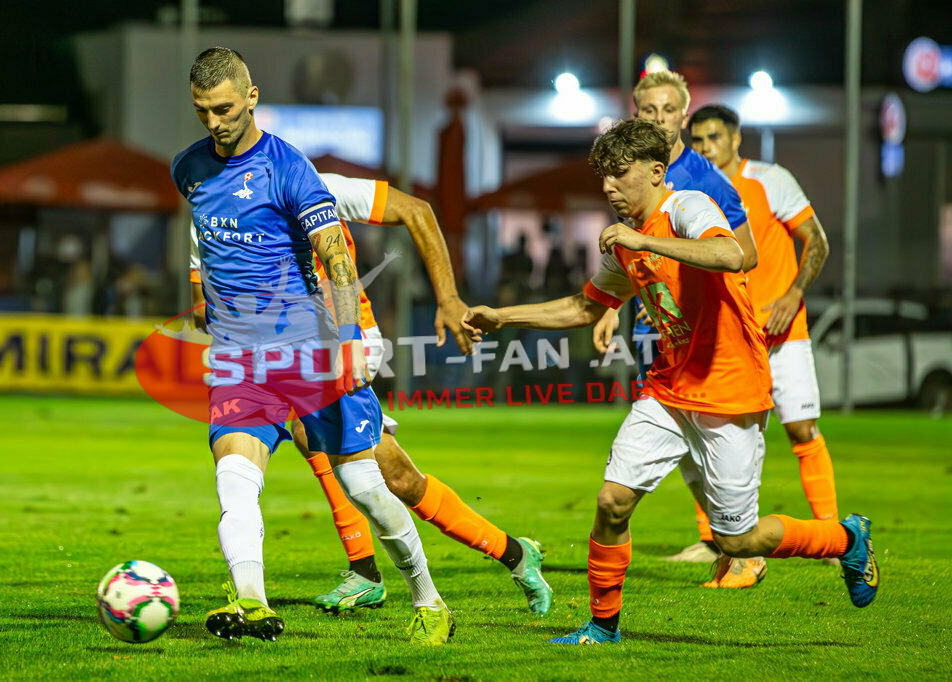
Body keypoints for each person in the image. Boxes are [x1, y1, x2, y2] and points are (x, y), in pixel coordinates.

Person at [463, 119, 879, 646]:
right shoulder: (625, 241)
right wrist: (503, 317)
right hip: (667, 388)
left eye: (620, 174)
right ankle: (602, 626)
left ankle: (846, 538)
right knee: (612, 500)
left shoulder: (686, 207)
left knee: (738, 538)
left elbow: (730, 254)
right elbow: (585, 306)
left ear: (657, 171)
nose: (610, 187)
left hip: (730, 388)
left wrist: (643, 238)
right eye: (604, 178)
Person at [173, 46, 453, 645]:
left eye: (223, 109)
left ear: (251, 98)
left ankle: (428, 597)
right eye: (202, 112)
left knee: (367, 490)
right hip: (242, 363)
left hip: (312, 356)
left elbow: (338, 258)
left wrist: (350, 341)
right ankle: (252, 601)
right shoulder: (188, 168)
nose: (214, 123)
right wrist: (204, 301)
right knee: (234, 480)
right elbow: (206, 242)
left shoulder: (289, 168)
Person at [189, 174, 552, 616]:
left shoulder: (318, 185)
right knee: (394, 475)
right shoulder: (214, 202)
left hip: (350, 339)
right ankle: (509, 553)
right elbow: (202, 300)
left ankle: (373, 572)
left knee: (338, 448)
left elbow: (417, 210)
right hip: (281, 347)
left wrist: (449, 298)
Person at [591, 69, 759, 572]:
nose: (660, 118)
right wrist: (613, 302)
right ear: (636, 111)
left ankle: (736, 544)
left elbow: (739, 255)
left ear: (682, 115)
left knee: (738, 504)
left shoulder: (703, 183)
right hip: (669, 345)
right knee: (633, 483)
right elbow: (617, 275)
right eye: (649, 110)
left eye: (668, 110)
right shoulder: (632, 179)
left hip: (724, 346)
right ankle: (711, 541)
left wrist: (655, 257)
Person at [689, 104, 839, 569]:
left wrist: (793, 295)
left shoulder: (770, 179)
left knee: (801, 428)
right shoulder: (692, 190)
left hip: (782, 331)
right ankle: (711, 541)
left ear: (736, 139)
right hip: (730, 335)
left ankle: (833, 536)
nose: (704, 147)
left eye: (713, 137)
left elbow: (817, 240)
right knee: (709, 428)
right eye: (697, 140)